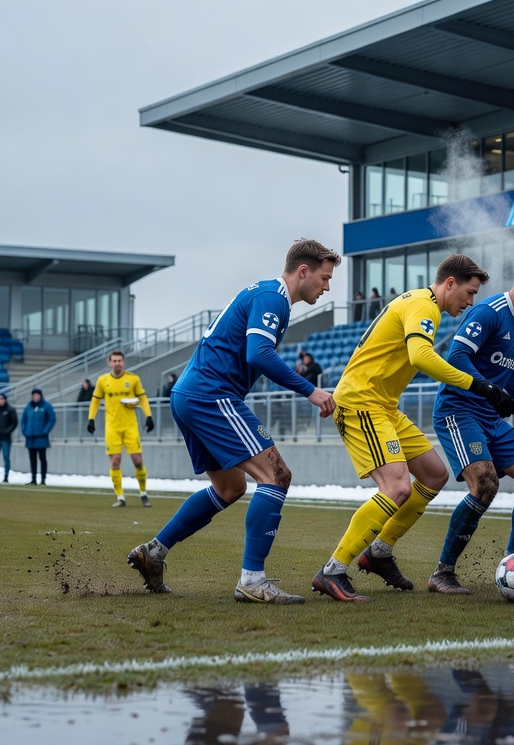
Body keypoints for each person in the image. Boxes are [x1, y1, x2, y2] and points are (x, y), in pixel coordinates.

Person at [127, 239, 341, 603]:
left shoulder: (265, 294)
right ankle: (252, 580)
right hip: (211, 394)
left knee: (231, 489)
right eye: (324, 277)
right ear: (302, 271)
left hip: (191, 394)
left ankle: (154, 553)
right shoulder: (273, 298)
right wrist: (311, 390)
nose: (327, 286)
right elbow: (258, 354)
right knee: (276, 475)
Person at [312, 254, 514, 602]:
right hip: (362, 403)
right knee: (397, 487)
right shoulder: (425, 306)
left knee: (434, 475)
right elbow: (421, 357)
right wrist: (479, 386)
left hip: (383, 406)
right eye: (469, 292)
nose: (471, 302)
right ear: (449, 283)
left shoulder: (421, 303)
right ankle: (332, 570)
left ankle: (378, 551)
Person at [428, 259, 514, 595]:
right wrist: (489, 388)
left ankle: (513, 565)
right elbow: (456, 356)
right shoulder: (489, 312)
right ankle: (442, 572)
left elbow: (510, 372)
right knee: (485, 485)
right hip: (459, 411)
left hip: (490, 416)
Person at [87, 350, 154, 508]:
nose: (117, 363)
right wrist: (91, 419)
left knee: (137, 461)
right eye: (114, 361)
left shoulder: (133, 379)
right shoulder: (103, 381)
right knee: (115, 461)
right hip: (112, 427)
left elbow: (142, 398)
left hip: (130, 426)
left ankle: (143, 493)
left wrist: (149, 416)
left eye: (120, 361)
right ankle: (120, 497)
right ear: (109, 363)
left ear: (123, 362)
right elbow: (95, 401)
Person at [21, 387, 55, 486]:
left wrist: (45, 431)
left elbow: (52, 419)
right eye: (33, 395)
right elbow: (23, 420)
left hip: (41, 437)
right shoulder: (28, 407)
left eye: (37, 395)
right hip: (30, 437)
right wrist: (25, 431)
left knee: (42, 458)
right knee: (32, 459)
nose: (35, 397)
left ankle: (43, 479)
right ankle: (33, 479)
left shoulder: (46, 406)